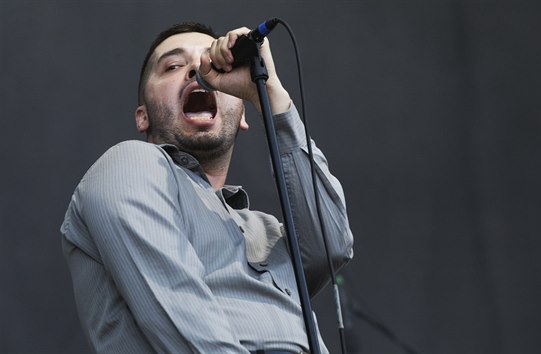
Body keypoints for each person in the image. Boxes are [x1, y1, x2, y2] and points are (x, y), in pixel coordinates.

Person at [60, 22, 353, 354]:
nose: (196, 71)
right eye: (172, 66)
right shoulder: (129, 164)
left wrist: (268, 94)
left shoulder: (267, 232)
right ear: (142, 117)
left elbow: (332, 246)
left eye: (210, 61)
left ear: (242, 115)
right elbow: (185, 324)